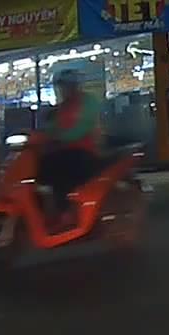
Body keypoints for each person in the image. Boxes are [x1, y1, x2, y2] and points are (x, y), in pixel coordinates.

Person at [40, 68, 102, 228]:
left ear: (74, 86)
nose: (62, 90)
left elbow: (83, 127)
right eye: (60, 87)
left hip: (85, 152)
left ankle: (66, 211)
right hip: (65, 150)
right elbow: (51, 128)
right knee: (40, 167)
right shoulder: (62, 107)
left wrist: (61, 138)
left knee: (61, 170)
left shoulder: (88, 102)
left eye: (65, 86)